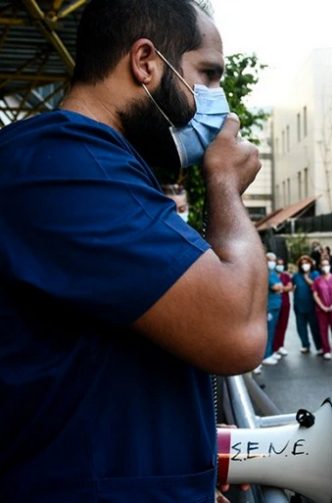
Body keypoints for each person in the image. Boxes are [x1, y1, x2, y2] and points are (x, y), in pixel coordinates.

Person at [0, 1, 267, 500]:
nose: (219, 103)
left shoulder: (97, 169)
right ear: (145, 63)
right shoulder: (67, 168)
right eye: (207, 75)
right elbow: (239, 329)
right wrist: (225, 183)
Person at [312, 257, 332, 360]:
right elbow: (315, 294)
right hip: (321, 309)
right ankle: (326, 350)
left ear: (330, 266)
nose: (325, 267)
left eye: (327, 264)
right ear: (320, 267)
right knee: (323, 330)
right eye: (323, 265)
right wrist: (322, 306)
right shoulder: (317, 280)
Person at [293, 255, 322, 354]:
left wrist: (306, 278)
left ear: (310, 264)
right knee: (301, 326)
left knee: (315, 327)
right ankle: (305, 345)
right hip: (299, 304)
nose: (304, 265)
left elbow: (317, 286)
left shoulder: (315, 274)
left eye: (306, 263)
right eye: (302, 264)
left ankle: (319, 346)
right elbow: (291, 285)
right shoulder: (296, 275)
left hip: (312, 305)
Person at [262, 252, 285, 366]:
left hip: (276, 305)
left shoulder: (273, 273)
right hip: (270, 306)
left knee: (273, 330)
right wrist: (279, 287)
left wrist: (280, 287)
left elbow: (281, 287)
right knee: (268, 331)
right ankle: (265, 356)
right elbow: (276, 287)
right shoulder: (267, 273)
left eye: (274, 260)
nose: (273, 262)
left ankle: (270, 352)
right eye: (270, 260)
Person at [272, 257, 293, 358]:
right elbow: (272, 287)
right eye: (278, 264)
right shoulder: (272, 275)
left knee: (283, 325)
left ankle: (280, 345)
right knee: (274, 326)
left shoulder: (286, 275)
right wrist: (284, 288)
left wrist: (280, 288)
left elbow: (290, 287)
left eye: (282, 264)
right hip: (274, 304)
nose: (280, 266)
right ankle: (273, 348)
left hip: (285, 304)